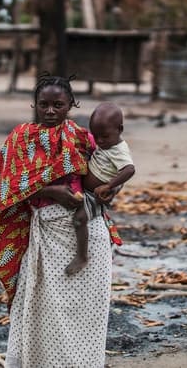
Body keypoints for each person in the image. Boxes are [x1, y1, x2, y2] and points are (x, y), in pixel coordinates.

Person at [0, 75, 121, 368]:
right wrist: (51, 191)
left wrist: (109, 191)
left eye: (58, 105)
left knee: (87, 309)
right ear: (35, 105)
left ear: (71, 105)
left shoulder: (83, 138)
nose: (50, 111)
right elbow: (6, 188)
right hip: (46, 235)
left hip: (87, 233)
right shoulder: (20, 139)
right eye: (44, 104)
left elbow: (109, 171)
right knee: (42, 307)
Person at [66, 102, 134, 276]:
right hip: (87, 190)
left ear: (120, 129)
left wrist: (109, 186)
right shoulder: (105, 144)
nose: (100, 141)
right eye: (96, 136)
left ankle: (82, 256)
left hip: (94, 196)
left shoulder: (119, 150)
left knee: (79, 219)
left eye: (105, 136)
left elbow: (129, 170)